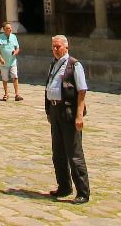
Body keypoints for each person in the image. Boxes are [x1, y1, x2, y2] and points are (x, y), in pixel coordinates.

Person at [42, 35, 89, 203]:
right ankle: (64, 186)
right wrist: (49, 111)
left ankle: (83, 192)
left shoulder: (74, 65)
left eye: (58, 46)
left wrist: (79, 115)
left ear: (66, 47)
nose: (55, 49)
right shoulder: (53, 65)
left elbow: (82, 91)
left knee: (74, 154)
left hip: (69, 112)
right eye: (53, 47)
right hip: (55, 111)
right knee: (58, 152)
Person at [0, 22, 23, 102]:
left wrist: (16, 52)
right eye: (8, 28)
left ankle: (17, 94)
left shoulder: (14, 37)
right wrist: (0, 58)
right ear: (4, 29)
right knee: (5, 78)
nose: (10, 29)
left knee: (15, 76)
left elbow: (17, 48)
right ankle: (6, 94)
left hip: (12, 61)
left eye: (10, 28)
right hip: (3, 62)